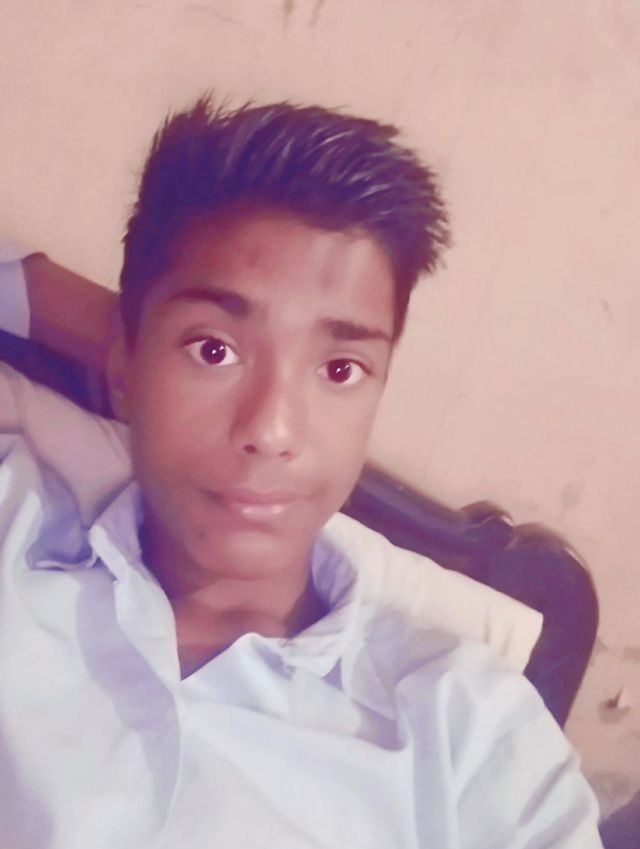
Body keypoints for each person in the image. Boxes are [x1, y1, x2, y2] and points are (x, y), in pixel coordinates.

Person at [0, 96, 603, 848]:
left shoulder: (472, 736)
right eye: (213, 350)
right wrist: (116, 332)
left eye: (340, 368)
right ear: (125, 362)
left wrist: (178, 340)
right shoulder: (16, 540)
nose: (271, 430)